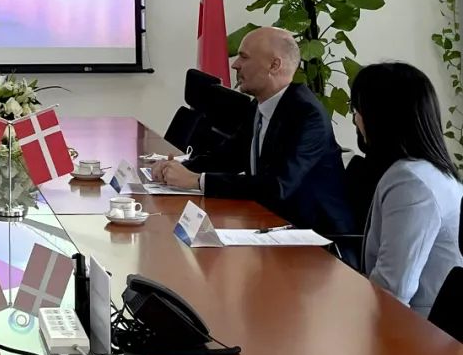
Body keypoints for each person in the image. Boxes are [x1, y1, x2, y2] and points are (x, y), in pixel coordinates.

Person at [153, 27, 353, 233]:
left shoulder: (306, 114)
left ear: (274, 65)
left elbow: (277, 186)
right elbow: (229, 157)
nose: (235, 64)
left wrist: (197, 181)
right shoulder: (259, 105)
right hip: (270, 222)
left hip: (316, 236)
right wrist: (178, 169)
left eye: (244, 57)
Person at [351, 62, 463, 317]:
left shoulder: (411, 183)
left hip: (419, 328)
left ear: (380, 117)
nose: (356, 119)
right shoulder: (429, 171)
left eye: (358, 110)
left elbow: (393, 290)